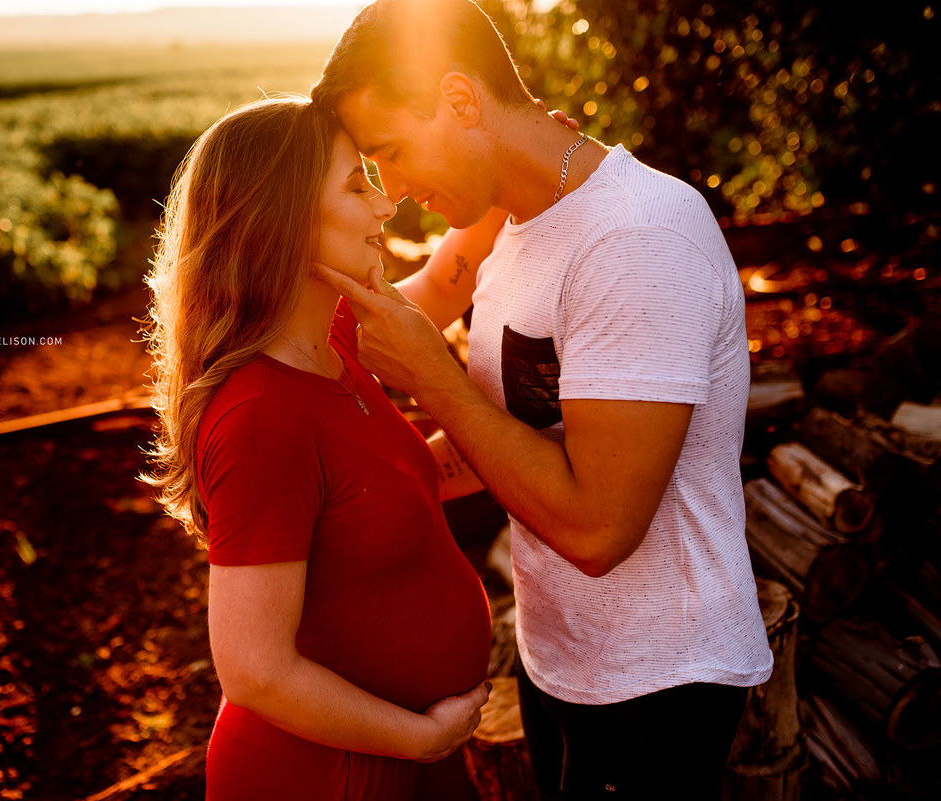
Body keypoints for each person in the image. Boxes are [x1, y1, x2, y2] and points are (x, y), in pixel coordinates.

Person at [309, 1, 774, 798]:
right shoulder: (511, 213)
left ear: (460, 101)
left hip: (657, 683)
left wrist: (433, 377)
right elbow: (509, 424)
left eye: (390, 153)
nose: (398, 192)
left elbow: (598, 528)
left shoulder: (635, 239)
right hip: (560, 657)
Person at [142, 96, 495, 801]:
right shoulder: (260, 416)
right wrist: (421, 740)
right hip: (338, 776)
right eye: (356, 185)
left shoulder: (331, 341)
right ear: (287, 217)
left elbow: (442, 282)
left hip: (406, 762)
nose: (385, 206)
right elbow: (253, 668)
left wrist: (507, 166)